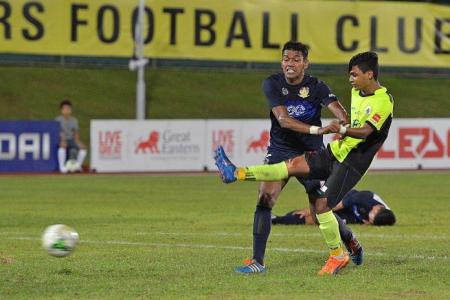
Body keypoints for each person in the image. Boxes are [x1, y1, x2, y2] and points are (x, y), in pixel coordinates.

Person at [215, 51, 394, 275]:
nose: (350, 80)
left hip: (348, 161)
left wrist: (341, 127)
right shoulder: (274, 83)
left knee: (320, 208)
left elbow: (365, 130)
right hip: (323, 151)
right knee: (272, 191)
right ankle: (236, 174)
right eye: (286, 59)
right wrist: (342, 129)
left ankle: (345, 246)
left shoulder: (379, 99)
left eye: (354, 75)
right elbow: (284, 119)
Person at [272, 190, 396, 226]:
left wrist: (369, 223)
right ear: (377, 208)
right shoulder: (365, 198)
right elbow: (339, 205)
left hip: (352, 216)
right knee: (316, 215)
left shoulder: (385, 217)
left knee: (317, 221)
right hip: (341, 200)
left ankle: (278, 219)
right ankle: (277, 218)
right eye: (372, 218)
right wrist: (311, 210)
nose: (370, 220)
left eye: (372, 222)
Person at [55, 99, 87, 173]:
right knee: (62, 146)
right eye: (64, 109)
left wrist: (78, 142)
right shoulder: (57, 120)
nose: (66, 111)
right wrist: (62, 140)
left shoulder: (74, 120)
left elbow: (75, 132)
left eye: (68, 109)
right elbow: (57, 131)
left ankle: (77, 166)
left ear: (71, 110)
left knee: (83, 148)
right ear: (61, 110)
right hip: (60, 139)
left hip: (71, 139)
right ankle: (62, 167)